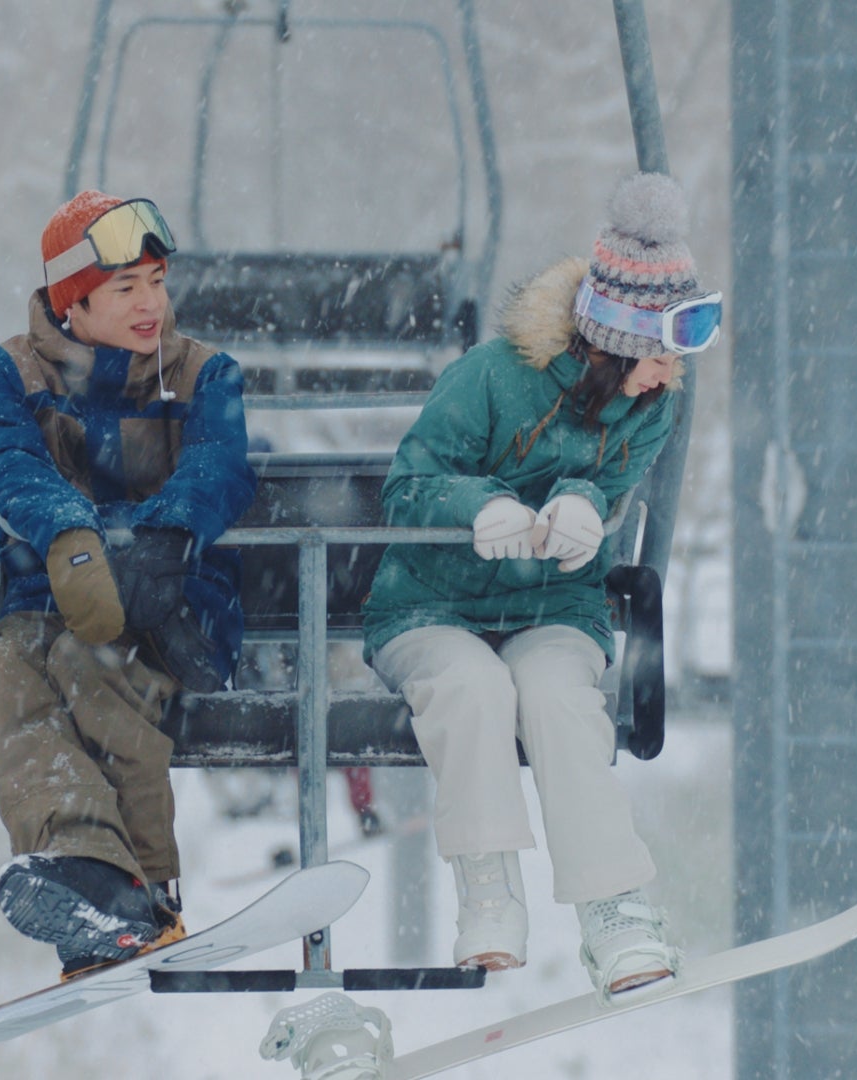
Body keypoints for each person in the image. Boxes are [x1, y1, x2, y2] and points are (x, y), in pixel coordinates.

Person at [360, 172, 721, 998]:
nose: (671, 376)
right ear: (615, 340)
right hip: (431, 601)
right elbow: (410, 485)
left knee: (559, 698)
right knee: (472, 687)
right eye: (662, 354)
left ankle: (616, 911)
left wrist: (588, 507)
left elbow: (615, 481)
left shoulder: (652, 404)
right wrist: (478, 507)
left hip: (552, 603)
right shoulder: (490, 377)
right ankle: (488, 892)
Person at [0, 191, 256, 979]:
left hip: (176, 600)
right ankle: (87, 875)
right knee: (7, 667)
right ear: (75, 302)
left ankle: (146, 893)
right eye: (127, 287)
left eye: (157, 282)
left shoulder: (203, 372)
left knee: (88, 669)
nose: (151, 305)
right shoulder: (10, 372)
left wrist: (162, 539)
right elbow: (8, 460)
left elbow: (218, 464)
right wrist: (68, 531)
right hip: (51, 596)